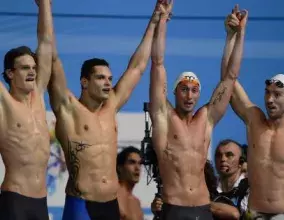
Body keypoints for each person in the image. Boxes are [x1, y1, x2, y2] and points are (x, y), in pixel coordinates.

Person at [47, 1, 165, 219]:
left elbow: (137, 67)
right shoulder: (68, 108)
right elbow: (51, 59)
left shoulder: (111, 107)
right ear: (84, 81)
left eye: (110, 78)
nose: (108, 83)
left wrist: (155, 19)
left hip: (110, 205)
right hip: (80, 204)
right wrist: (45, 6)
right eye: (100, 78)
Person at [149, 2, 248, 219]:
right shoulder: (164, 116)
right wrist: (162, 21)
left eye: (194, 91)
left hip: (202, 208)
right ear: (174, 92)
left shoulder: (206, 118)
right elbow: (157, 63)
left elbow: (230, 77)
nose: (189, 95)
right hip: (173, 208)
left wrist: (237, 35)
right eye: (184, 89)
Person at [227, 10, 284, 220]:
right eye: (267, 93)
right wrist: (234, 35)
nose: (270, 100)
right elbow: (228, 81)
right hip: (253, 215)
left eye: (277, 94)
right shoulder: (254, 120)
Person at [0, 0, 53, 219]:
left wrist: (44, 5)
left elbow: (46, 43)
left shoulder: (39, 96)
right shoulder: (4, 102)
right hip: (15, 199)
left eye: (33, 67)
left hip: (41, 202)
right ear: (10, 74)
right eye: (24, 68)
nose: (32, 72)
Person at [151, 160, 241, 219]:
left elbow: (234, 214)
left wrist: (196, 203)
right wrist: (159, 210)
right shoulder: (176, 204)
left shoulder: (218, 199)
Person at [214, 139, 249, 219]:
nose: (223, 159)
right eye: (218, 155)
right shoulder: (206, 187)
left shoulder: (250, 188)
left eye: (229, 155)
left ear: (241, 162)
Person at [117, 146, 143, 220]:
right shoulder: (112, 196)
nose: (137, 168)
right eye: (132, 162)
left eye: (140, 163)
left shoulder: (136, 202)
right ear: (120, 168)